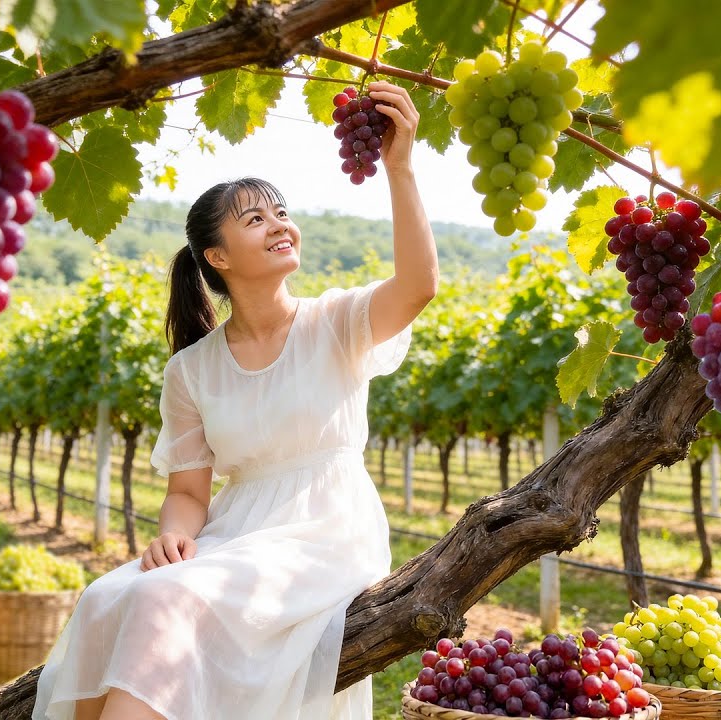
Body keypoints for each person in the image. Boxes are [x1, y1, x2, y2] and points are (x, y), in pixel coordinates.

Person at [32, 81, 438, 720]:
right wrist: (171, 537)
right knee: (106, 599)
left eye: (281, 212)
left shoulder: (334, 321)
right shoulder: (190, 370)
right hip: (234, 530)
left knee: (165, 602)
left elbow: (418, 285)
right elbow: (190, 493)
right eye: (257, 218)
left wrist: (401, 167)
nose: (281, 224)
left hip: (325, 528)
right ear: (216, 257)